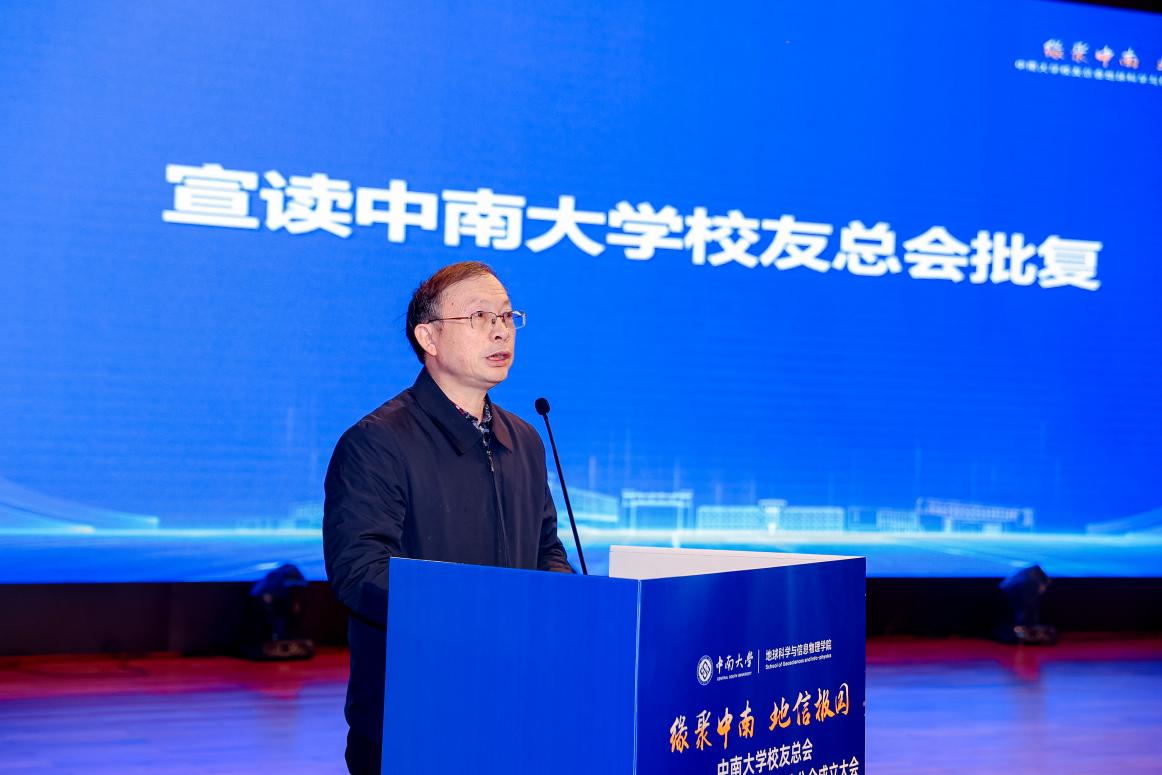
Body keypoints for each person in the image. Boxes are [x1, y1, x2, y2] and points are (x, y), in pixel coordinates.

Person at [323, 261, 573, 775]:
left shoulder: (525, 439)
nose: (501, 330)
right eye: (480, 316)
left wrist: (567, 604)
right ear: (429, 337)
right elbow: (359, 572)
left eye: (507, 316)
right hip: (417, 712)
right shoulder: (377, 442)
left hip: (517, 701)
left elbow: (546, 550)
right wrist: (480, 614)